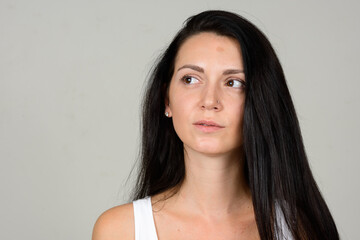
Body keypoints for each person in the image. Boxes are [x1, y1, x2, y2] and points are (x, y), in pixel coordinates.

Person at [92, 10, 339, 240]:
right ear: (166, 100)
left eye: (233, 82)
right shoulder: (120, 230)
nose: (209, 101)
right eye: (190, 79)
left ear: (261, 101)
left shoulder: (299, 229)